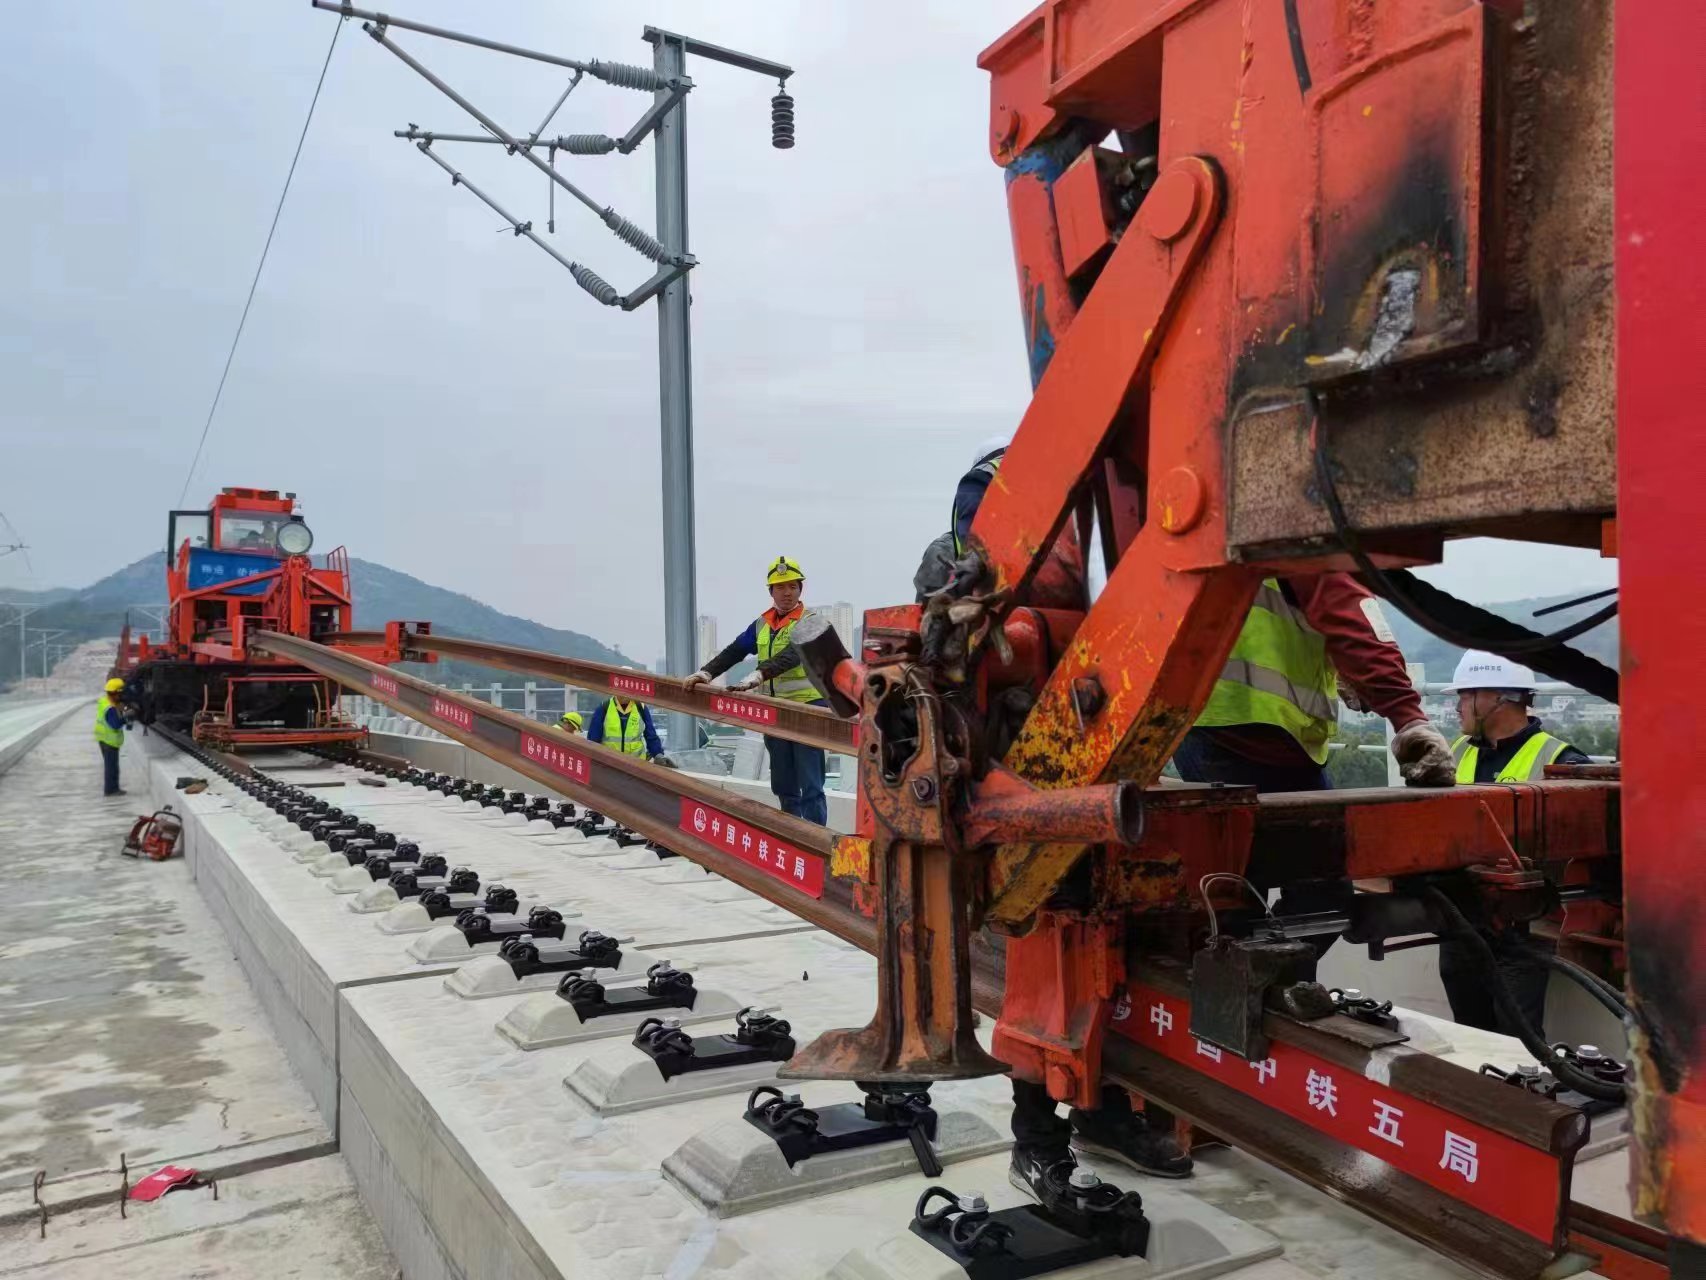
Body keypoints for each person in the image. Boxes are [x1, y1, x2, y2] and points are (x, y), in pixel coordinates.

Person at [1436, 650, 1589, 1037]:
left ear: (1498, 698)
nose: (1458, 706)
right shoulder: (1455, 752)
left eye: (1466, 695)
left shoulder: (1562, 761)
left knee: (1516, 1039)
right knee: (1469, 1035)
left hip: (1522, 930)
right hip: (1463, 923)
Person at [684, 556, 832, 825]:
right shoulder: (762, 625)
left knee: (811, 782)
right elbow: (735, 651)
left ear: (801, 589)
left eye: (793, 586)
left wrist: (759, 674)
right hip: (774, 711)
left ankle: (816, 839)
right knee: (783, 781)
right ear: (771, 591)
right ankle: (792, 833)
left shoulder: (812, 622)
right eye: (780, 587)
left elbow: (793, 655)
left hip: (807, 709)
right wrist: (705, 673)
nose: (787, 593)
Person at [584, 695, 666, 761]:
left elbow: (651, 735)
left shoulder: (641, 708)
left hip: (636, 764)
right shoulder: (604, 707)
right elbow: (593, 739)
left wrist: (658, 754)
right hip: (609, 764)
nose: (624, 695)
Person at [96, 677, 128, 797]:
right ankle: (111, 790)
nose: (121, 696)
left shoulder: (105, 701)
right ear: (116, 693)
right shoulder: (110, 708)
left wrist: (120, 709)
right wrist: (126, 717)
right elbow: (115, 724)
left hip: (104, 739)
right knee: (111, 768)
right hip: (109, 741)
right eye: (120, 694)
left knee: (111, 766)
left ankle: (113, 788)